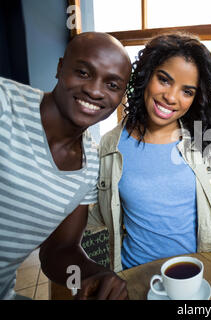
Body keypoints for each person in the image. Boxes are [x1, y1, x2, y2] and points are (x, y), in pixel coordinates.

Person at [0, 32, 132, 299]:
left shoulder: (91, 163)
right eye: (83, 73)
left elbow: (59, 250)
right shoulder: (5, 103)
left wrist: (93, 274)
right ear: (60, 68)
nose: (95, 90)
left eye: (112, 85)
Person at [87, 33, 211, 272]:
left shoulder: (204, 140)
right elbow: (99, 214)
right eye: (164, 80)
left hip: (199, 274)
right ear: (146, 75)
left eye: (187, 91)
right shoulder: (110, 147)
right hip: (135, 275)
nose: (171, 97)